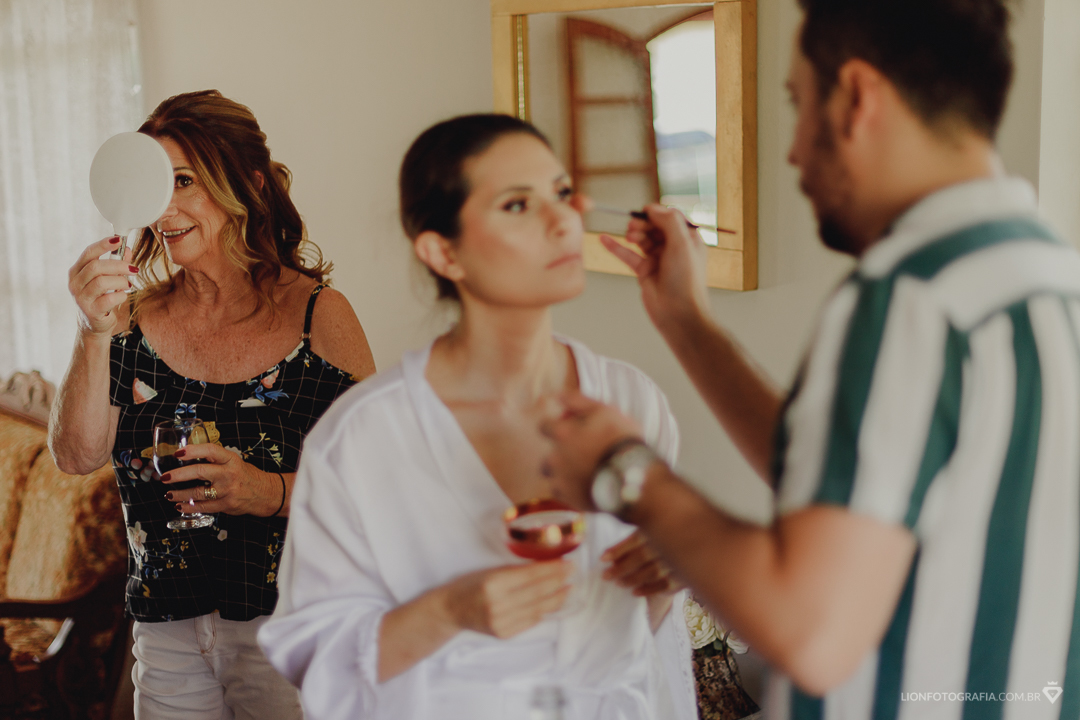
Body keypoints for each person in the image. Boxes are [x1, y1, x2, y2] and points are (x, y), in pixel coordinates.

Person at [541, 0, 1080, 718]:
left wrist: (628, 472)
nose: (793, 151)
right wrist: (687, 324)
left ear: (857, 97)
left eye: (798, 103)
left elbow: (810, 633)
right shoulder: (1047, 273)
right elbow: (857, 474)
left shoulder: (909, 299)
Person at [257, 114, 697, 719]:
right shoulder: (362, 438)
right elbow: (320, 664)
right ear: (444, 252)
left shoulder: (631, 402)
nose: (563, 221)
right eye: (518, 204)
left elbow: (642, 641)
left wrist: (667, 577)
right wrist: (449, 611)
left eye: (563, 193)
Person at [49, 90, 376, 718]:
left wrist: (265, 491)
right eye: (157, 184)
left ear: (248, 185)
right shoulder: (129, 321)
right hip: (166, 630)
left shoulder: (319, 317)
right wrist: (91, 332)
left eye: (184, 181)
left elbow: (377, 484)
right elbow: (76, 455)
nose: (164, 208)